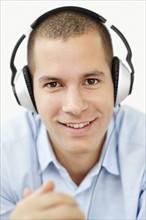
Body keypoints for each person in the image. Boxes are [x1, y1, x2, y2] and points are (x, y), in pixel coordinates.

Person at [1, 6, 145, 220]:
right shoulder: (4, 156)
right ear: (28, 94)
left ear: (118, 84)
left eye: (91, 81)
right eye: (53, 84)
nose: (75, 106)